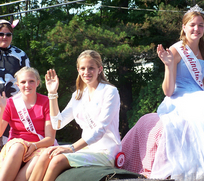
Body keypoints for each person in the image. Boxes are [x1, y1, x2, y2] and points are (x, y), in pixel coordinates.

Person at [122, 4, 204, 181]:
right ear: (184, 27)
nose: (196, 29)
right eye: (192, 25)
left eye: (200, 25)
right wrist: (168, 65)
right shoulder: (176, 50)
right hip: (181, 98)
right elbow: (168, 91)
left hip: (200, 96)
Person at [29, 50, 122, 181]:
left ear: (100, 69)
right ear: (78, 70)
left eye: (91, 68)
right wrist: (52, 93)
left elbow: (100, 130)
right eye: (83, 68)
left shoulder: (110, 92)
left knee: (57, 160)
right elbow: (57, 124)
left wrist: (71, 149)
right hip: (88, 148)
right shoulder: (78, 95)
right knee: (46, 154)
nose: (87, 72)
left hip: (107, 152)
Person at [0, 67, 56, 181]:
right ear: (17, 85)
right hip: (16, 146)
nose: (27, 85)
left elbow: (50, 139)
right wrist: (2, 108)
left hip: (39, 146)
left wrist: (34, 146)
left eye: (31, 81)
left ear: (38, 83)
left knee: (38, 160)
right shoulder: (10, 103)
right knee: (18, 147)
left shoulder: (47, 102)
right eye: (23, 82)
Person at [0, 19, 30, 148]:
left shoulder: (20, 55)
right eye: (1, 34)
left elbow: (28, 79)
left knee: (10, 144)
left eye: (8, 34)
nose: (4, 37)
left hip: (14, 106)